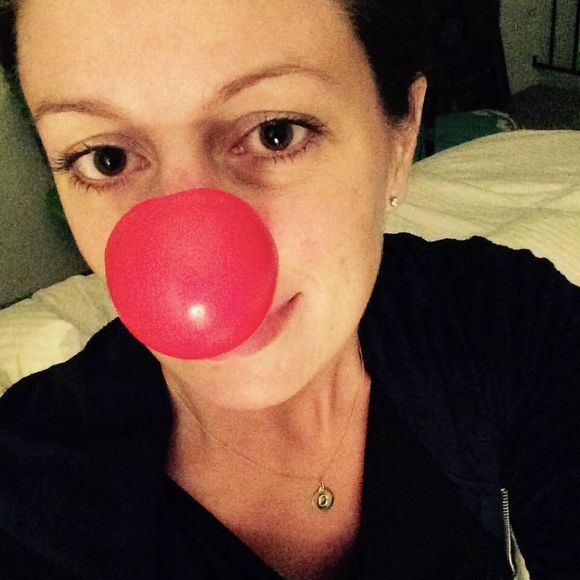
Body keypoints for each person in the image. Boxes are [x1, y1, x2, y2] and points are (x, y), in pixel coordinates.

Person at [0, 1, 579, 578]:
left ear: (401, 138)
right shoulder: (25, 504)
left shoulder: (504, 318)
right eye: (106, 159)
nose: (200, 269)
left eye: (275, 134)